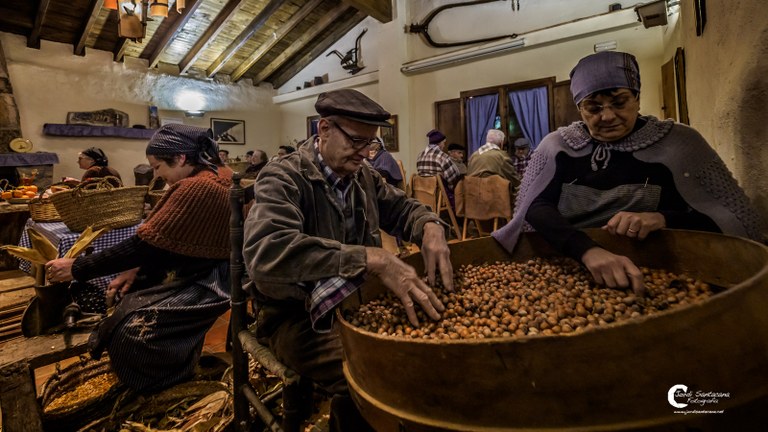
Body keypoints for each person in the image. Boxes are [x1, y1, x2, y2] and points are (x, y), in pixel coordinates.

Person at [242, 89, 453, 431]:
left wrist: (429, 225)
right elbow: (268, 251)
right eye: (357, 141)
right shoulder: (284, 176)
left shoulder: (363, 175)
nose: (366, 153)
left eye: (371, 143)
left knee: (425, 353)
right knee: (379, 373)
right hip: (296, 317)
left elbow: (401, 208)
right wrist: (372, 258)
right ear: (323, 129)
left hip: (352, 305)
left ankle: (351, 415)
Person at [492, 51, 764, 296]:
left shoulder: (679, 143)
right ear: (580, 109)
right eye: (593, 108)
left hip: (661, 269)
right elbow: (536, 207)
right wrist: (587, 250)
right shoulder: (558, 146)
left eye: (619, 102)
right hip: (574, 262)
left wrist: (662, 218)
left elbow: (729, 218)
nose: (607, 116)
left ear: (637, 98)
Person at [44, 124, 232, 392]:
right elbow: (164, 243)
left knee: (130, 334)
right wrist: (134, 268)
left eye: (157, 167)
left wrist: (78, 267)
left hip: (210, 281)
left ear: (180, 158)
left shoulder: (198, 188)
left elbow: (142, 246)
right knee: (129, 302)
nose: (157, 174)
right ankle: (176, 370)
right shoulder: (216, 174)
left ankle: (162, 388)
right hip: (205, 269)